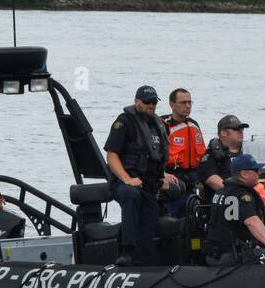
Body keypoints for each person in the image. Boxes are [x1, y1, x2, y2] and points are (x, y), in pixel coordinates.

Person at [103, 85, 180, 266]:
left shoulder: (157, 125)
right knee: (132, 195)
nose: (151, 105)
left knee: (150, 213)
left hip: (148, 183)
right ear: (137, 102)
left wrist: (163, 175)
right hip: (124, 182)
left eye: (154, 102)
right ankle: (126, 251)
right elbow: (111, 156)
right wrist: (127, 179)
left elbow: (155, 157)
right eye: (147, 102)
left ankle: (143, 261)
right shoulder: (124, 123)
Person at [204, 154, 265, 265]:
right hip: (234, 256)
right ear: (244, 174)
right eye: (256, 170)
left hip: (216, 254)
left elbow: (231, 224)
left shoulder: (222, 192)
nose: (259, 173)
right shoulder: (241, 195)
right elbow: (252, 222)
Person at [161, 88, 206, 217]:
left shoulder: (193, 125)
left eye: (189, 102)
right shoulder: (163, 125)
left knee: (191, 220)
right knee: (173, 220)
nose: (187, 106)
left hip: (192, 182)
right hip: (172, 181)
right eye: (183, 103)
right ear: (172, 104)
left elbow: (201, 153)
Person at [196, 113, 248, 205]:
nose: (241, 131)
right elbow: (213, 180)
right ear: (223, 133)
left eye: (242, 129)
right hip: (221, 203)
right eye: (236, 129)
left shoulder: (248, 151)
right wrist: (240, 193)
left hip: (247, 198)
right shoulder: (210, 155)